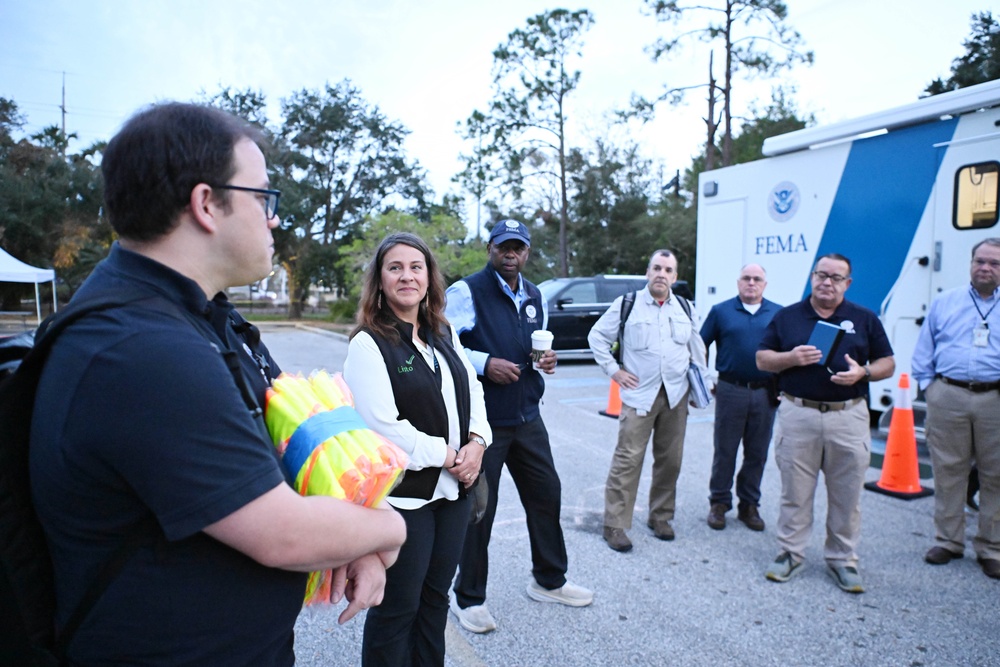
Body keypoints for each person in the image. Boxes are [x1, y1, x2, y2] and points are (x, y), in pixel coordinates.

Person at [28, 102, 406, 665]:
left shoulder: (205, 318)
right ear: (207, 204)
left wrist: (361, 543)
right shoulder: (138, 348)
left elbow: (294, 442)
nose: (274, 219)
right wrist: (388, 529)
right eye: (264, 199)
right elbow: (283, 532)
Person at [344, 233, 492, 665]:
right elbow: (381, 426)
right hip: (404, 500)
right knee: (397, 609)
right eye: (395, 267)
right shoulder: (368, 343)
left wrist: (479, 443)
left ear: (429, 277)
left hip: (454, 496)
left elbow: (474, 391)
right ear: (380, 280)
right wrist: (450, 457)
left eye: (416, 267)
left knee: (435, 602)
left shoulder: (442, 332)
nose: (407, 275)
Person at [446, 218, 593, 635]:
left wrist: (546, 360)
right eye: (503, 247)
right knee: (479, 510)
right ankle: (468, 598)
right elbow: (443, 342)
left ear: (527, 252)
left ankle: (549, 580)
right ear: (490, 248)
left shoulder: (534, 294)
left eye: (519, 248)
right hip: (484, 422)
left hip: (528, 415)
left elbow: (535, 344)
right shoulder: (467, 291)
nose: (511, 254)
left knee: (547, 495)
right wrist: (484, 363)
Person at [756, 253, 894, 594]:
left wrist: (864, 372)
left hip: (847, 416)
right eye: (821, 275)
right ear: (812, 277)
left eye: (836, 277)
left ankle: (842, 559)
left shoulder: (864, 319)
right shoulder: (787, 317)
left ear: (847, 284)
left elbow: (887, 363)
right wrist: (791, 358)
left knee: (847, 495)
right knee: (795, 493)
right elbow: (762, 359)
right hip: (798, 414)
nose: (827, 282)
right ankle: (790, 553)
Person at [588, 249, 710, 552]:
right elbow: (597, 337)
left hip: (676, 396)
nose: (662, 274)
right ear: (647, 271)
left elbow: (698, 350)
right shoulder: (627, 305)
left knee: (671, 461)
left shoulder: (684, 307)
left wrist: (701, 388)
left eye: (668, 270)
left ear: (675, 276)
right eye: (657, 267)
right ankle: (615, 524)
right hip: (639, 396)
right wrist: (615, 371)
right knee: (627, 461)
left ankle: (661, 517)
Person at [911, 238, 1000, 580]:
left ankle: (991, 548)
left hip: (995, 399)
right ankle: (948, 541)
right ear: (970, 263)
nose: (985, 268)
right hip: (948, 394)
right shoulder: (946, 302)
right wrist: (929, 387)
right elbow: (926, 346)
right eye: (980, 261)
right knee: (949, 472)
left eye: (994, 263)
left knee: (996, 475)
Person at [700, 263, 780, 532]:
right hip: (730, 389)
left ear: (764, 285)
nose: (751, 283)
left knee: (757, 452)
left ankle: (749, 505)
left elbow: (788, 352)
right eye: (746, 278)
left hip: (765, 392)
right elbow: (701, 345)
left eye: (757, 279)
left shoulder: (778, 314)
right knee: (725, 450)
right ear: (738, 282)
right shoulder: (721, 312)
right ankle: (719, 503)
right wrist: (705, 379)